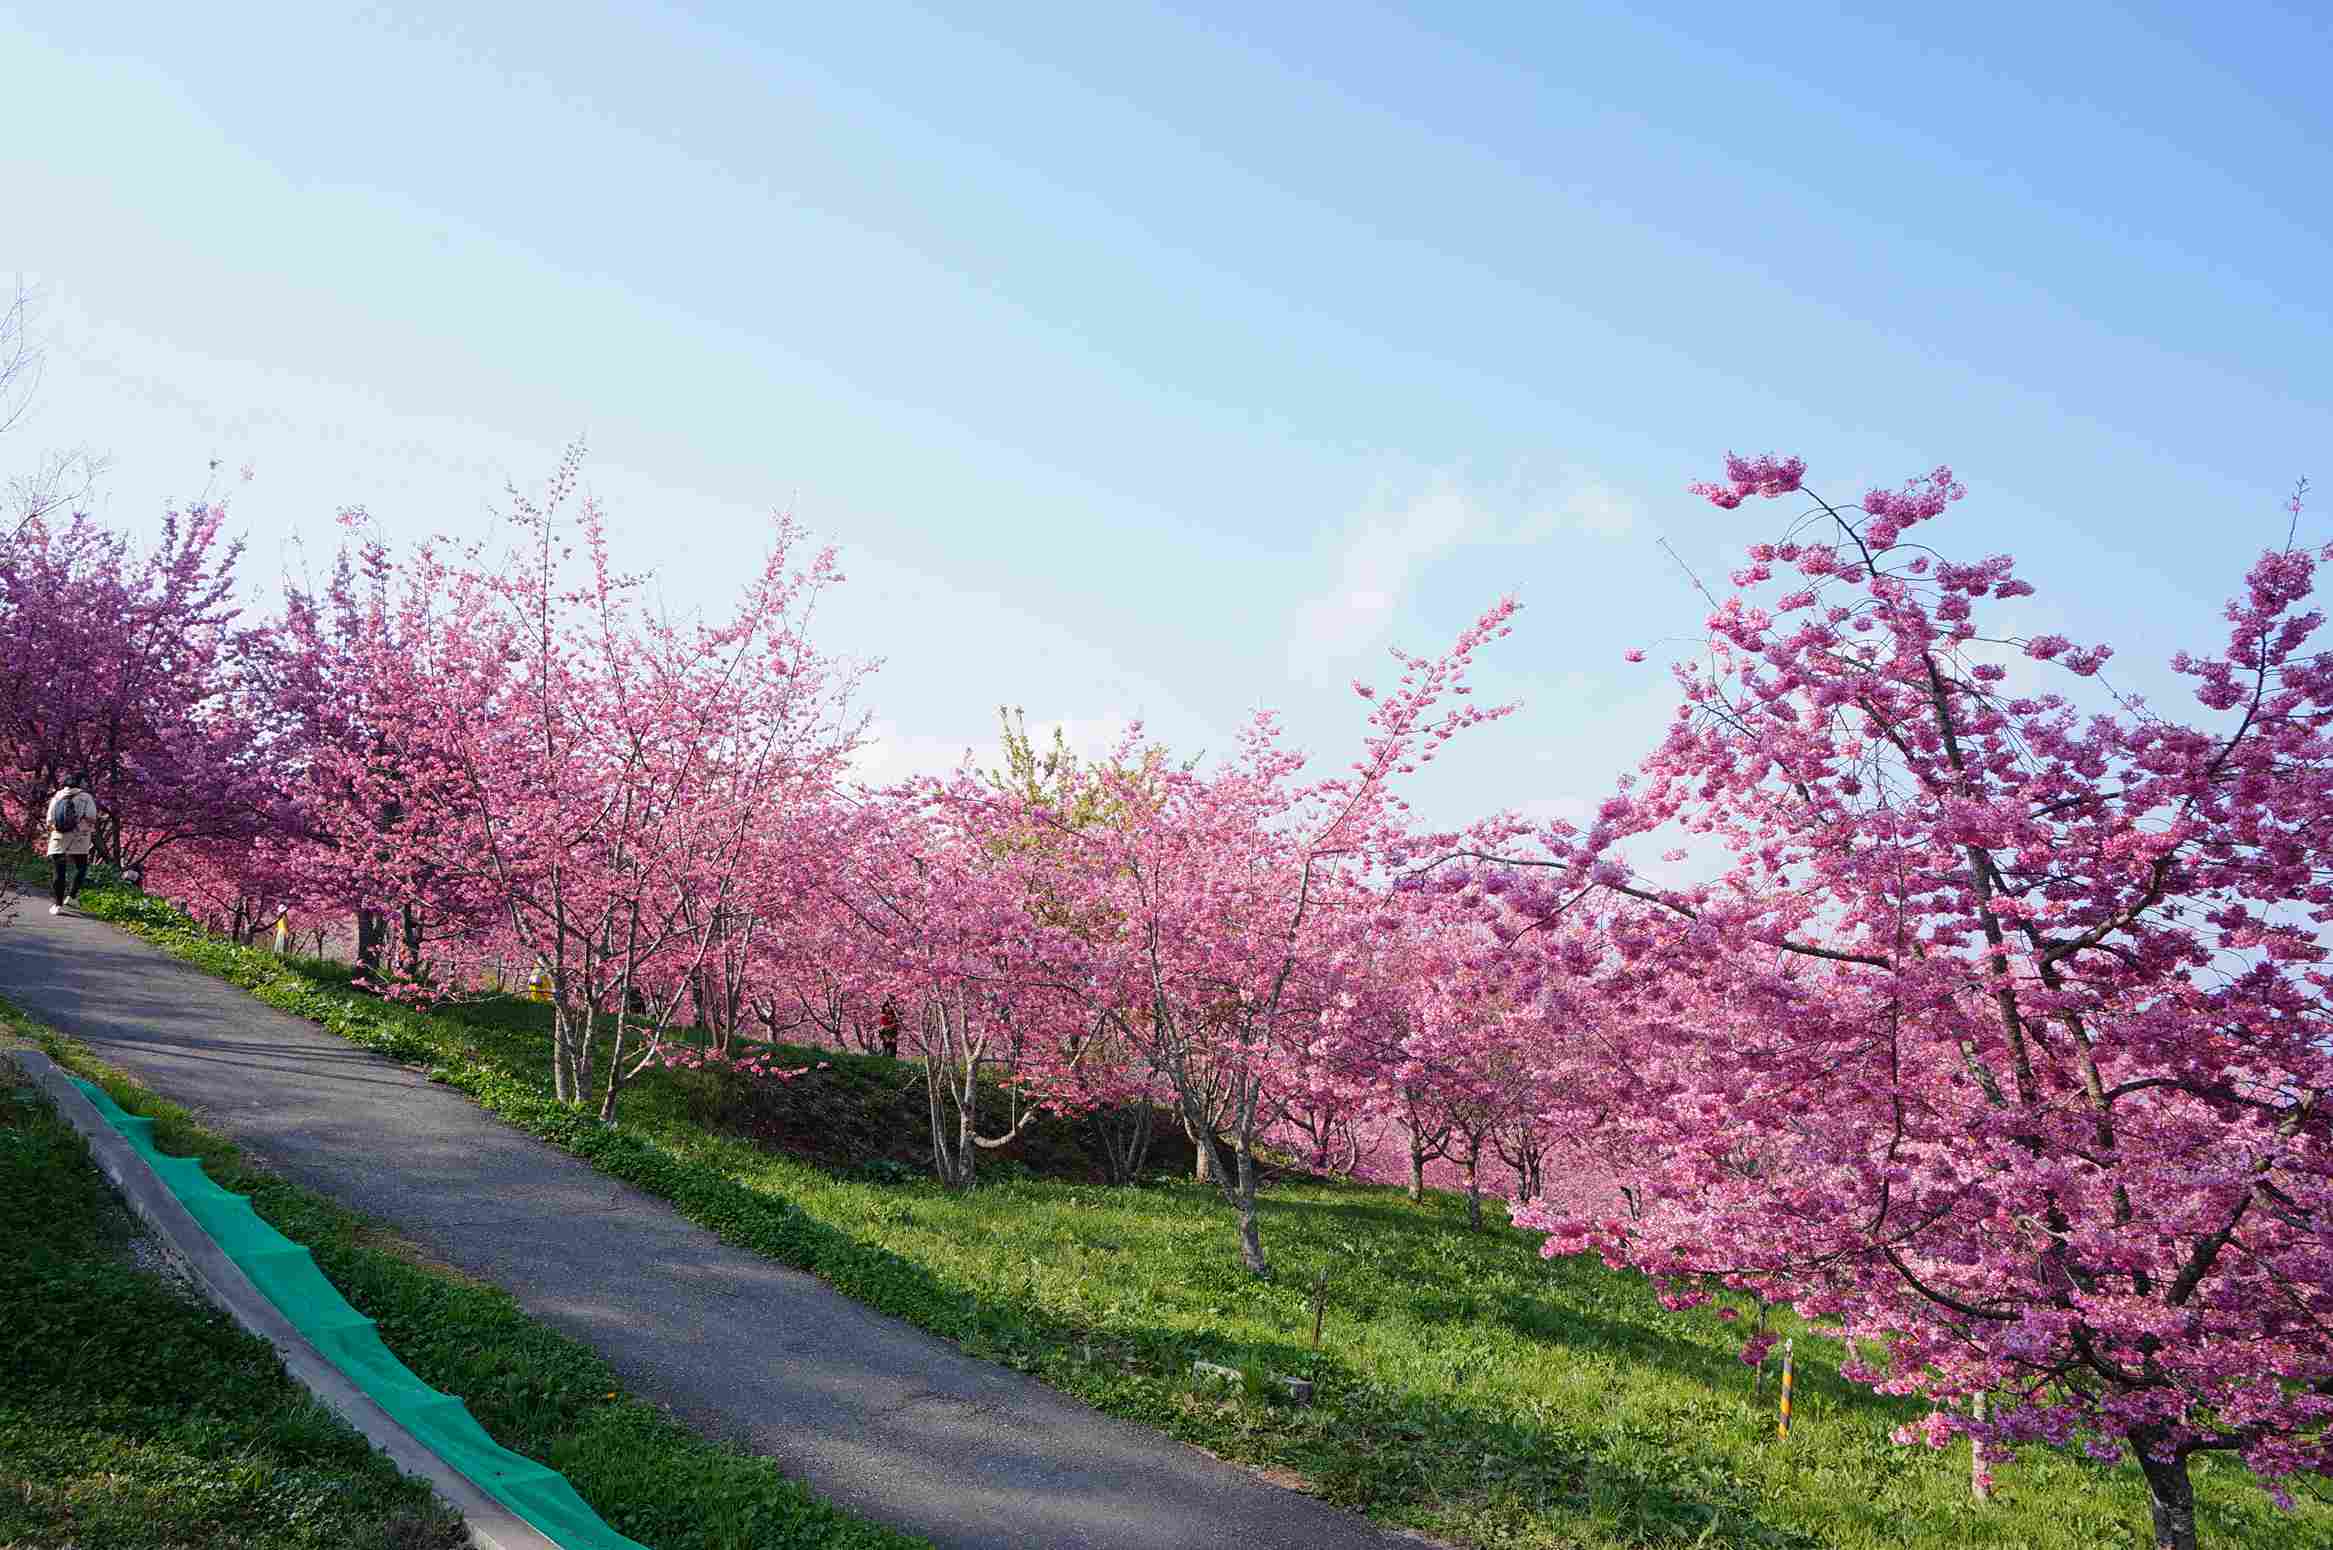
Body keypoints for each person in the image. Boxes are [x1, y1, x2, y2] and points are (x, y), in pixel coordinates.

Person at [44, 773, 99, 915]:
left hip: (59, 838)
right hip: (79, 838)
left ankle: (57, 905)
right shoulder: (86, 797)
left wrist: (58, 830)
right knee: (81, 868)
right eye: (85, 781)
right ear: (80, 782)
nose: (86, 784)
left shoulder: (57, 796)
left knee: (59, 872)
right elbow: (92, 817)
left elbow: (49, 820)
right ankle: (72, 896)